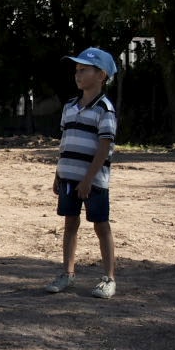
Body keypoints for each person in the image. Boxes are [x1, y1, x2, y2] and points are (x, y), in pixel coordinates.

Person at [47, 47, 119, 299]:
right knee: (70, 223)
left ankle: (109, 278)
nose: (77, 74)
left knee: (101, 225)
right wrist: (58, 173)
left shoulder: (105, 109)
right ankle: (67, 273)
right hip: (68, 176)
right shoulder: (69, 106)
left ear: (102, 75)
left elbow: (104, 146)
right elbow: (65, 142)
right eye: (76, 70)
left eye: (84, 70)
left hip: (94, 181)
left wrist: (88, 179)